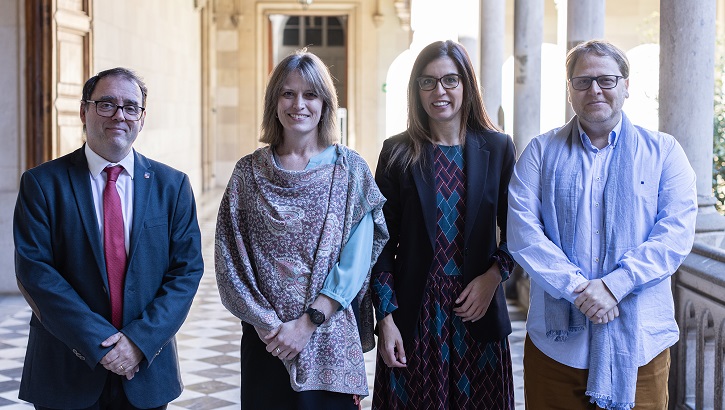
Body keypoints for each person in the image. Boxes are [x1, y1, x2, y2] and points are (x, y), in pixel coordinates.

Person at [507, 39, 697, 410]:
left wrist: (614, 285)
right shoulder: (541, 152)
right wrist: (580, 288)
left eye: (606, 80)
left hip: (641, 344)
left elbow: (674, 234)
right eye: (582, 81)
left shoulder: (664, 152)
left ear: (625, 86)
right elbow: (523, 233)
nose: (594, 89)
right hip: (557, 348)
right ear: (569, 92)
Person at [13, 67, 204, 409]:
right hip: (65, 371)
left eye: (131, 107)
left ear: (142, 119)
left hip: (145, 371)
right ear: (84, 111)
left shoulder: (172, 186)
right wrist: (101, 343)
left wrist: (137, 343)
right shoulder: (42, 184)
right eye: (106, 104)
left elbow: (186, 273)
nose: (120, 115)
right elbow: (36, 273)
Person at [215, 49, 389, 410]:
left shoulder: (350, 171)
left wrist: (307, 324)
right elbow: (229, 258)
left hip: (328, 335)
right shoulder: (248, 173)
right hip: (267, 341)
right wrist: (268, 326)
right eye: (288, 93)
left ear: (325, 104)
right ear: (274, 100)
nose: (299, 104)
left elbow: (355, 263)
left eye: (310, 94)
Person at [371, 40, 516, 409]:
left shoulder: (498, 148)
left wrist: (494, 276)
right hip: (415, 314)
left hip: (477, 310)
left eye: (450, 80)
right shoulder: (396, 152)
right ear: (416, 90)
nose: (440, 91)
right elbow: (380, 242)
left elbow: (520, 228)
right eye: (428, 82)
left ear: (466, 85)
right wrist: (385, 318)